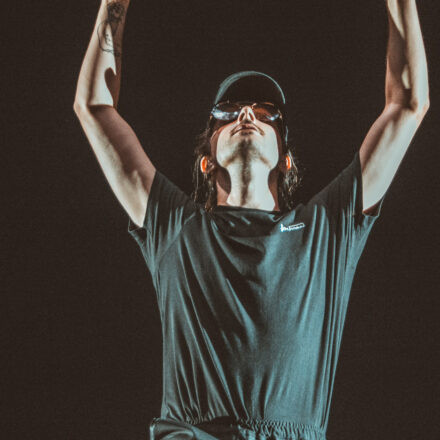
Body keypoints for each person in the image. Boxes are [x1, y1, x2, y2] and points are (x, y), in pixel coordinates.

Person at [73, 1, 429, 439]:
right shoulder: (176, 227)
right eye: (227, 113)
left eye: (266, 114)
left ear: (286, 160)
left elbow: (408, 104)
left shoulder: (325, 229)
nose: (245, 115)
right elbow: (94, 106)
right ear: (206, 161)